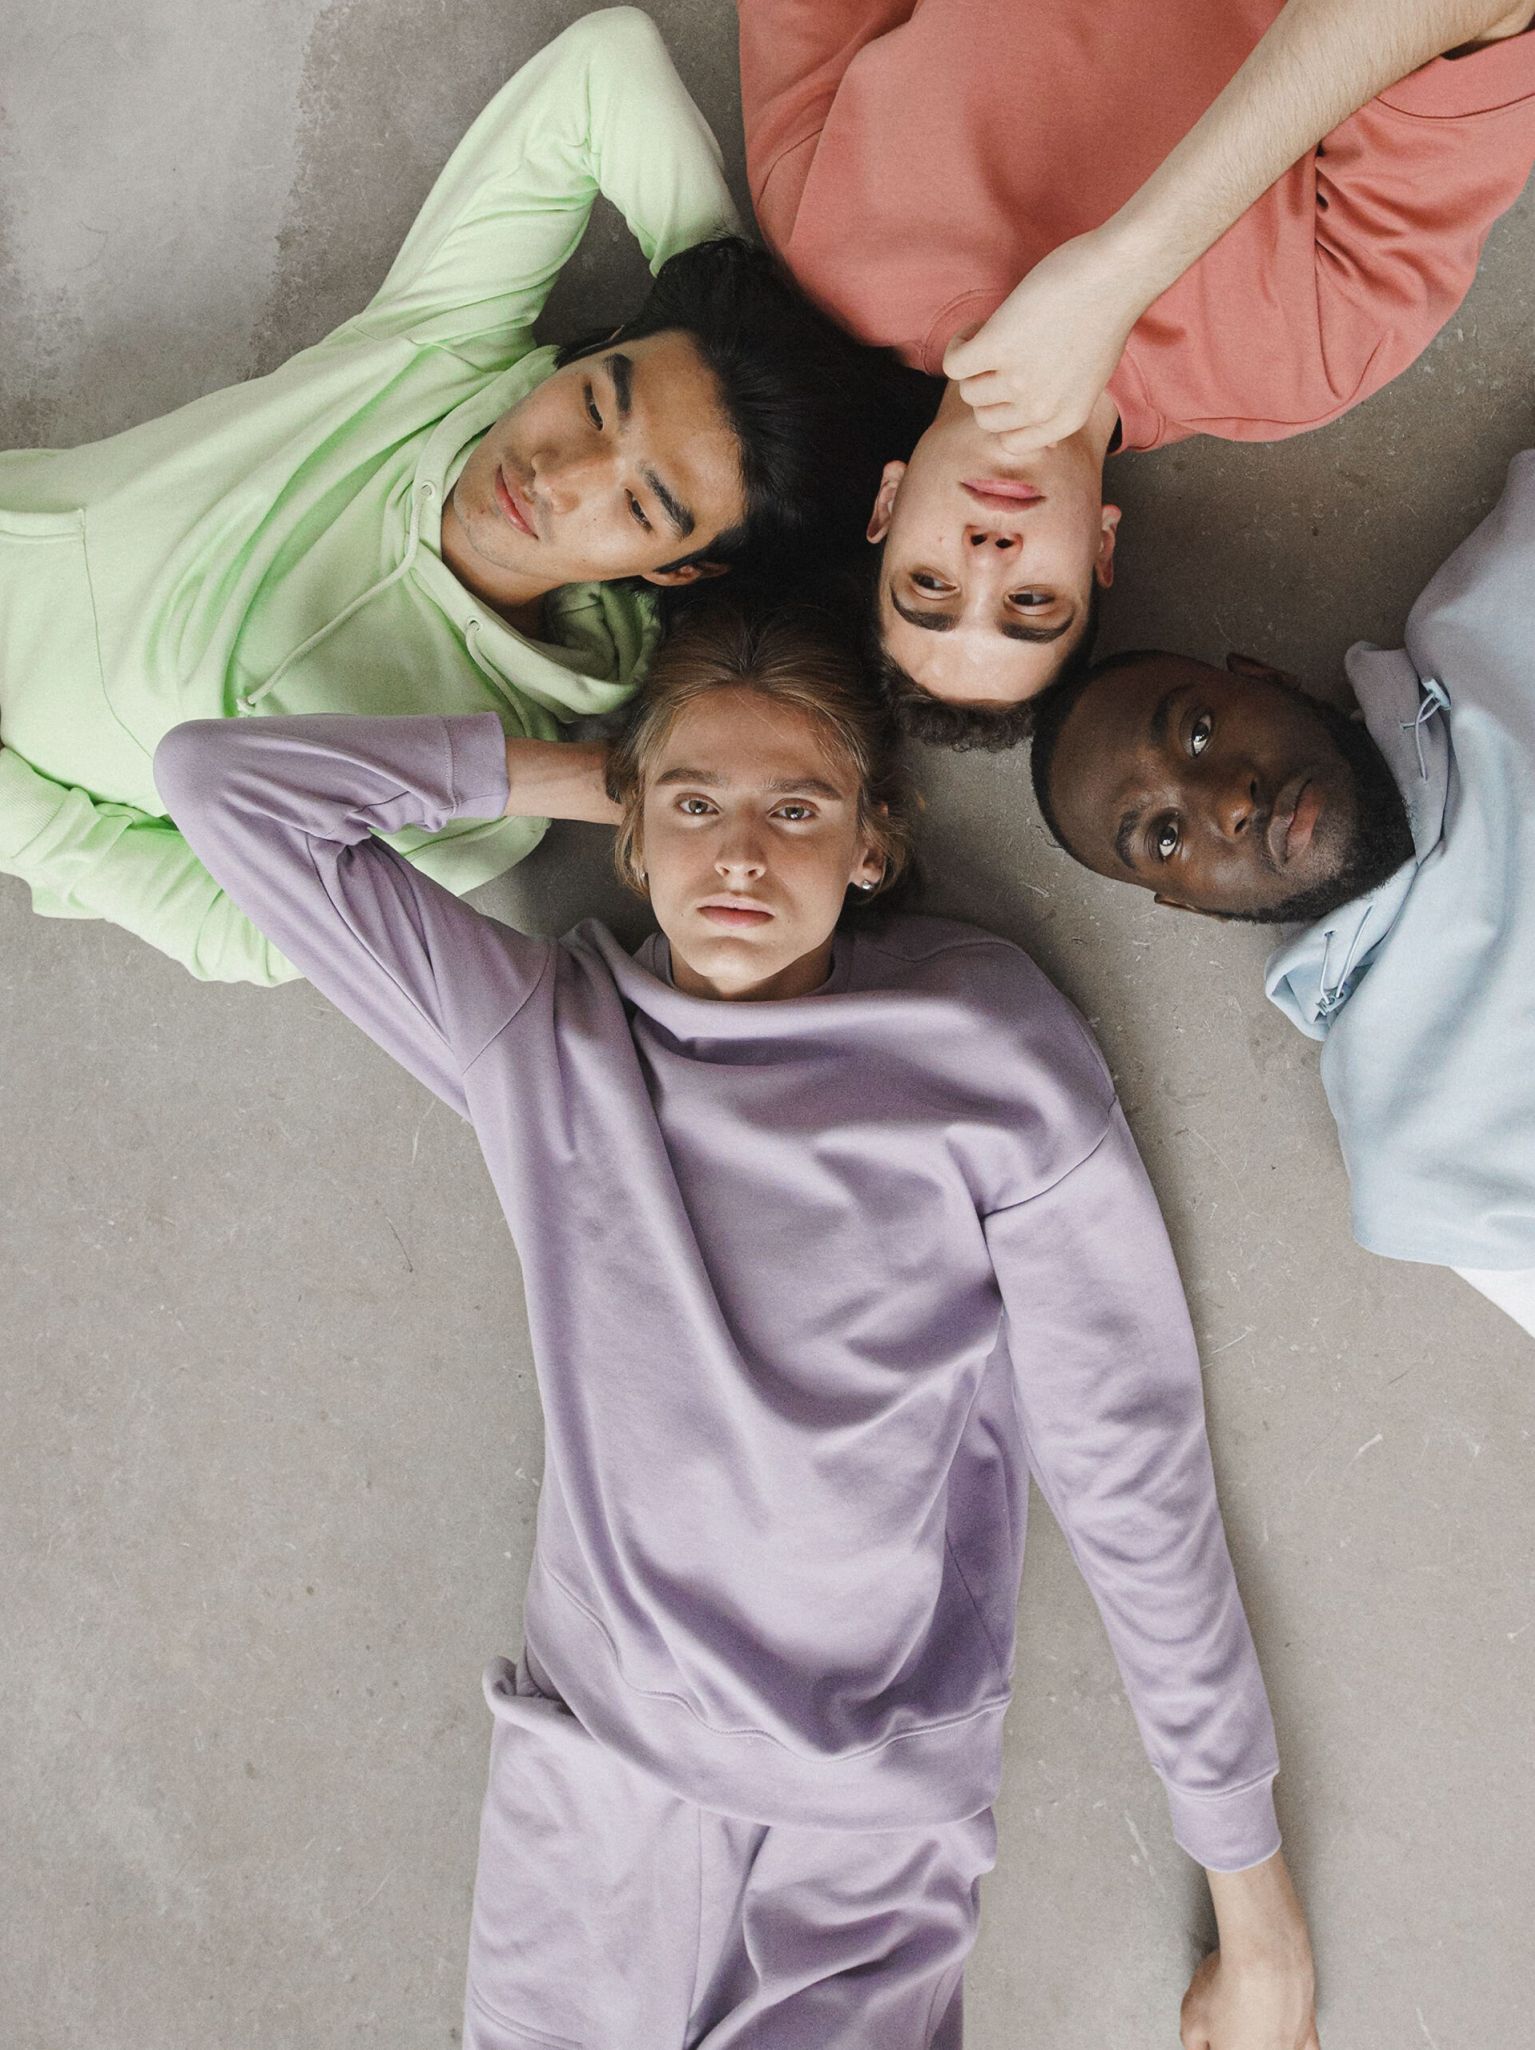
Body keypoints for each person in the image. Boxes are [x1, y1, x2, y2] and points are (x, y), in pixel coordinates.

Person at [153, 608, 1320, 2047]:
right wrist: (605, 781)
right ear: (635, 830)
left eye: (797, 809)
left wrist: (1253, 1906)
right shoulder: (544, 1036)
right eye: (697, 808)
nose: (743, 857)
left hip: (867, 1831)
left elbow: (1125, 1459)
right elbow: (218, 785)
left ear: (872, 842)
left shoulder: (987, 1049)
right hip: (598, 1785)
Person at [0, 8, 908, 985]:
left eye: (641, 506)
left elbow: (252, 936)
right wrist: (723, 293)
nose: (555, 475)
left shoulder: (496, 779)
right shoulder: (437, 354)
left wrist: (20, 818)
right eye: (595, 403)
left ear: (677, 569)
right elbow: (602, 68)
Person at [738, 0, 1535, 739]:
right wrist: (1127, 266)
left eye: (930, 585)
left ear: (886, 503)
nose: (986, 554)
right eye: (1030, 601)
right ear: (1100, 549)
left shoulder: (821, 241)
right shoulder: (1302, 359)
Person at [1027, 449, 1535, 1340]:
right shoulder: (1415, 1147)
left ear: (1262, 676)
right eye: (1165, 837)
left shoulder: (1492, 610)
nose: (1227, 800)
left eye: (1198, 731)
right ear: (1190, 906)